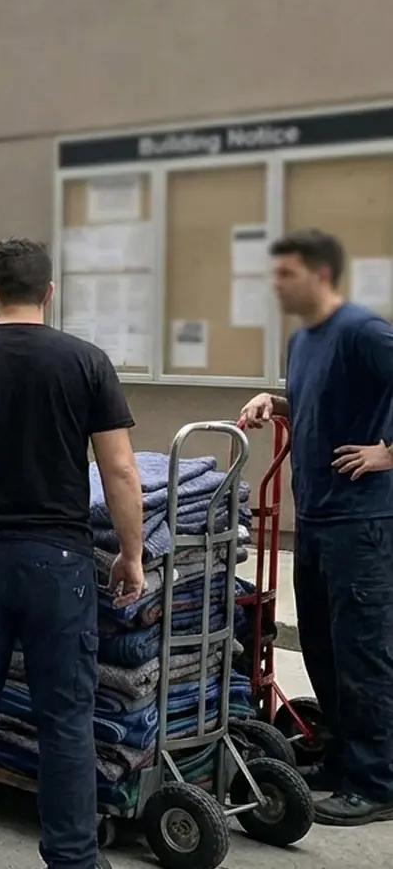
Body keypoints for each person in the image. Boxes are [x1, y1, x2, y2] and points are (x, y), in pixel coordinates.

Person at [0, 238, 145, 869]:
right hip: (58, 563)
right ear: (49, 293)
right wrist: (131, 553)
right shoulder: (86, 362)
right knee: (66, 718)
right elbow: (119, 471)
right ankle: (72, 858)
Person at [238, 228, 393, 827]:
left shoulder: (363, 330)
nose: (275, 288)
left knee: (363, 652)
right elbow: (318, 400)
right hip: (320, 519)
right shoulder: (304, 340)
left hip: (364, 521)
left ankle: (378, 781)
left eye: (285, 276)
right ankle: (343, 758)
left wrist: (387, 452)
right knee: (326, 651)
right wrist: (273, 404)